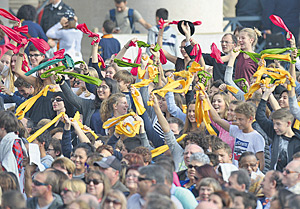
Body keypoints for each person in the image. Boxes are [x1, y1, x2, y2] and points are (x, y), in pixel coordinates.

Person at [202, 90, 265, 170]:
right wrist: (207, 99)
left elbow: (261, 163)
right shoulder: (236, 130)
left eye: (240, 119)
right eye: (237, 119)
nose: (237, 122)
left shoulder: (257, 137)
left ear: (250, 119)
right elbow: (217, 119)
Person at [256, 87, 300, 171]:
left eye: (278, 124)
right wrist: (265, 96)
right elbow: (260, 117)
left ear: (288, 123)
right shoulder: (275, 133)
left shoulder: (297, 140)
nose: (275, 127)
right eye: (274, 123)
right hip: (275, 178)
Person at [0, 111, 27, 181]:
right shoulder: (8, 141)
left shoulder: (13, 143)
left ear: (2, 127)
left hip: (9, 184)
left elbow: (9, 168)